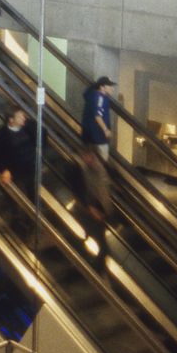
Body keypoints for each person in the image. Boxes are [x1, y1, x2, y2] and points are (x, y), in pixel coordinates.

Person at [75, 145, 113, 274]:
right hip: (91, 210)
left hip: (100, 210)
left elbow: (102, 191)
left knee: (100, 241)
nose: (86, 159)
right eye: (85, 156)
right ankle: (94, 265)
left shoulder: (98, 168)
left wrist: (101, 211)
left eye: (89, 156)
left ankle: (97, 266)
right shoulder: (84, 169)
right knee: (96, 239)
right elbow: (83, 190)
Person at [0, 107, 37, 201]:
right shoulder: (2, 135)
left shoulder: (29, 128)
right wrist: (4, 169)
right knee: (11, 192)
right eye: (20, 117)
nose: (24, 118)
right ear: (11, 120)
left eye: (23, 116)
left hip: (29, 167)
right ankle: (14, 210)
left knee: (31, 190)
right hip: (12, 169)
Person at [81, 76, 115, 160]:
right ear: (102, 87)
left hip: (89, 135)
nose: (112, 88)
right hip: (99, 136)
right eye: (109, 86)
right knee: (102, 161)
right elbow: (98, 115)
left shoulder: (92, 95)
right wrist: (105, 130)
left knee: (90, 160)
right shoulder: (100, 98)